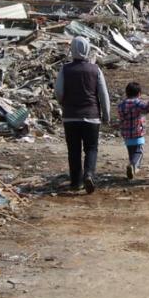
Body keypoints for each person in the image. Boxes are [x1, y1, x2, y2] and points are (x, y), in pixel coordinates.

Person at [54, 36, 110, 193]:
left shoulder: (65, 69)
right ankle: (89, 174)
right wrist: (106, 115)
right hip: (91, 117)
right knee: (91, 148)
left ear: (72, 49)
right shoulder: (95, 69)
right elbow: (103, 94)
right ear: (87, 49)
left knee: (74, 150)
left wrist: (63, 102)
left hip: (70, 117)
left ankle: (75, 182)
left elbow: (58, 92)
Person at [117, 82, 149, 180]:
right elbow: (147, 108)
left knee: (131, 152)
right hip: (137, 131)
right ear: (139, 93)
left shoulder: (121, 105)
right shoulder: (138, 103)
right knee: (139, 152)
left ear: (126, 93)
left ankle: (133, 169)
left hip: (126, 133)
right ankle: (133, 165)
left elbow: (121, 118)